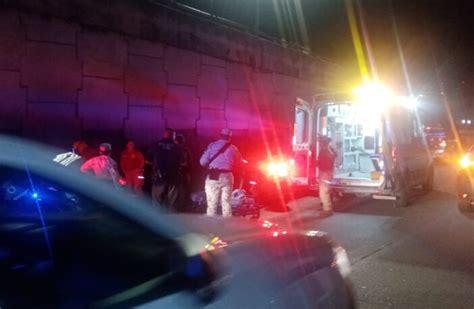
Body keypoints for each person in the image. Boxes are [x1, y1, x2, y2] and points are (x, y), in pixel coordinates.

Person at [200, 128, 242, 217]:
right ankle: (227, 226)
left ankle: (211, 226)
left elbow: (202, 162)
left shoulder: (212, 146)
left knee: (212, 204)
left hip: (213, 176)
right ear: (230, 137)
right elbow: (239, 163)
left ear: (220, 135)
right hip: (227, 176)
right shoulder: (233, 148)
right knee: (226, 203)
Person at [147, 128, 183, 211]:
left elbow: (148, 160)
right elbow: (183, 162)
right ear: (173, 136)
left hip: (159, 177)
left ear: (164, 134)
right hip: (173, 177)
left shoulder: (155, 145)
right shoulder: (177, 147)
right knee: (173, 203)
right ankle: (171, 221)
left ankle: (156, 222)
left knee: (157, 202)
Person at [316, 135, 337, 218]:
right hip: (329, 172)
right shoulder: (330, 150)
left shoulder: (324, 151)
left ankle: (327, 210)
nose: (319, 143)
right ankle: (327, 205)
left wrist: (316, 163)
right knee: (327, 190)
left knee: (323, 192)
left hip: (325, 173)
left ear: (322, 143)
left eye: (320, 142)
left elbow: (322, 163)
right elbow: (335, 155)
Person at [175, 134, 193, 208]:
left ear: (175, 141)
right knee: (184, 189)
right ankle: (183, 206)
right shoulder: (186, 149)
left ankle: (176, 206)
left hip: (176, 171)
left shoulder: (174, 149)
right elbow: (191, 160)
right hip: (185, 171)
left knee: (175, 189)